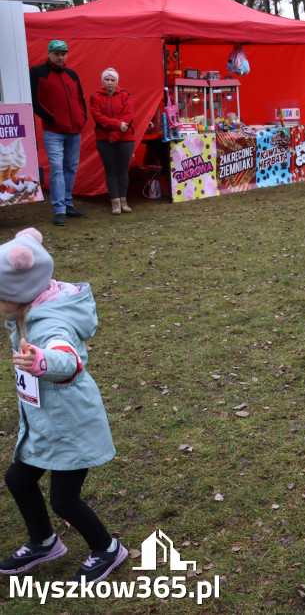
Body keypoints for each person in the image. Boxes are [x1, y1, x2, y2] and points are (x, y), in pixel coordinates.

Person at [0, 228, 127, 583]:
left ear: (19, 292)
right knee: (18, 479)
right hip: (45, 420)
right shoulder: (32, 305)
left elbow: (67, 358)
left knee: (64, 500)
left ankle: (107, 550)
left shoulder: (52, 321)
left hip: (71, 424)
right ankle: (44, 541)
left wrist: (44, 361)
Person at [29, 39, 88, 226]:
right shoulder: (38, 72)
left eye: (63, 53)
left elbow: (80, 99)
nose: (60, 57)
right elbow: (35, 102)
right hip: (53, 131)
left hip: (74, 130)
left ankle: (68, 204)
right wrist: (53, 119)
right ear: (49, 54)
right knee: (56, 167)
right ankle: (59, 209)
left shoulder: (72, 74)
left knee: (71, 167)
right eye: (56, 53)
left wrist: (82, 117)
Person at [88, 68, 135, 215]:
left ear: (117, 82)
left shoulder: (126, 96)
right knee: (110, 170)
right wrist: (117, 126)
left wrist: (114, 135)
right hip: (103, 139)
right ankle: (115, 203)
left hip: (125, 139)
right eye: (107, 80)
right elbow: (98, 117)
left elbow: (128, 116)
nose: (109, 82)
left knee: (122, 170)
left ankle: (123, 202)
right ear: (102, 81)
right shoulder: (95, 97)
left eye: (112, 80)